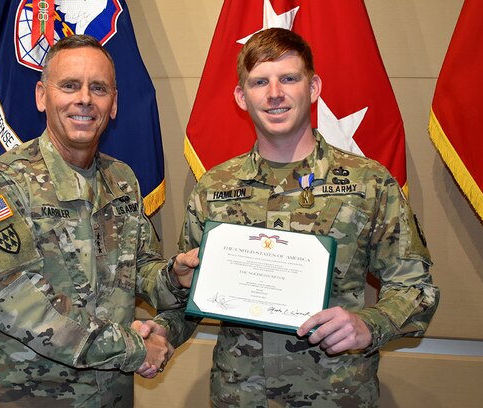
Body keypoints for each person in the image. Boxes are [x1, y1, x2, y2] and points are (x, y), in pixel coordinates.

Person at [155, 28, 440, 407]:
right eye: (260, 82)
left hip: (336, 395)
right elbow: (191, 299)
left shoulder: (367, 182)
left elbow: (416, 289)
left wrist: (368, 325)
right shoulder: (214, 187)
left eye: (289, 78)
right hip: (240, 396)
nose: (274, 94)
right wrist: (161, 332)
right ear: (242, 96)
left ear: (314, 87)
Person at [0, 34, 198, 407]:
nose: (84, 99)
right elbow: (20, 304)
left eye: (98, 88)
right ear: (41, 95)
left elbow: (138, 266)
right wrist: (132, 348)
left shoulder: (121, 179)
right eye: (69, 85)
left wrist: (173, 277)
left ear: (113, 104)